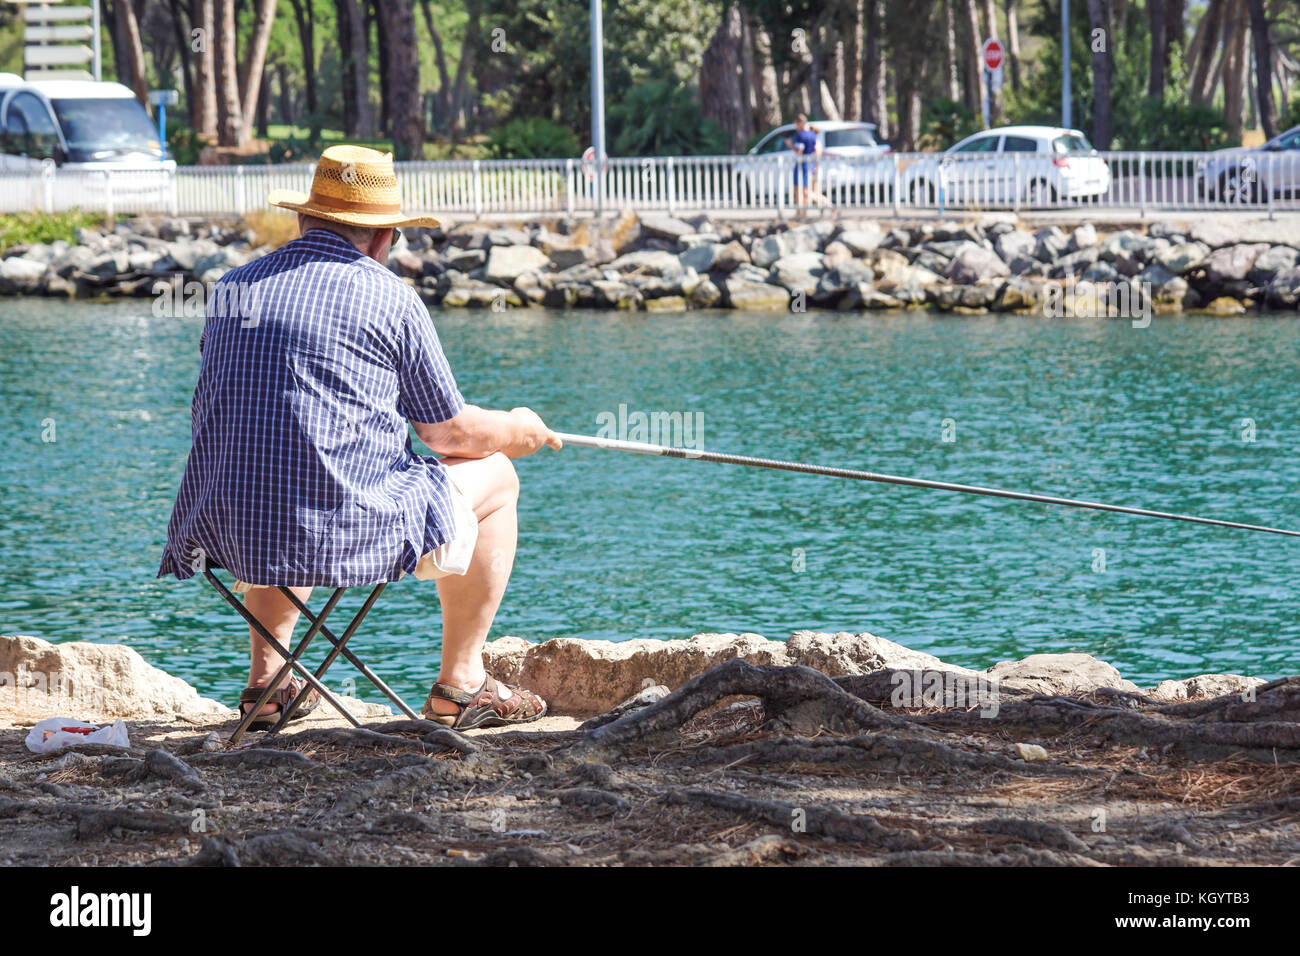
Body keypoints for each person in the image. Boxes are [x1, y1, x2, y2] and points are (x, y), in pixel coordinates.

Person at [158, 145, 559, 731]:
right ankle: (463, 683)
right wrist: (519, 427)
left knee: (277, 464)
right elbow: (450, 434)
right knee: (498, 474)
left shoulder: (232, 289)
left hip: (221, 519)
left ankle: (268, 684)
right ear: (381, 237)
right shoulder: (390, 297)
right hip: (338, 527)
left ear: (303, 220)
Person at [783, 113, 830, 214]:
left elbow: (799, 151)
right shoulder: (812, 134)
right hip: (811, 164)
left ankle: (826, 204)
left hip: (802, 164)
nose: (796, 127)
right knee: (805, 190)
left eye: (796, 124)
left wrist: (790, 145)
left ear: (799, 123)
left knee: (802, 190)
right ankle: (802, 212)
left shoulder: (800, 135)